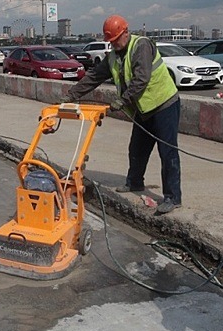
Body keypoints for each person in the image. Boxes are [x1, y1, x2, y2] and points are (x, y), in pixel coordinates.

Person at [65, 14, 182, 214]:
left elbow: (141, 79)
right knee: (137, 148)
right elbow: (94, 77)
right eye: (110, 42)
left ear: (125, 32)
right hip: (143, 109)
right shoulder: (113, 56)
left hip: (164, 104)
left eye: (116, 40)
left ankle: (173, 197)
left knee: (167, 152)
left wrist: (122, 100)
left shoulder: (141, 46)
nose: (113, 45)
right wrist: (71, 95)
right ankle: (135, 182)